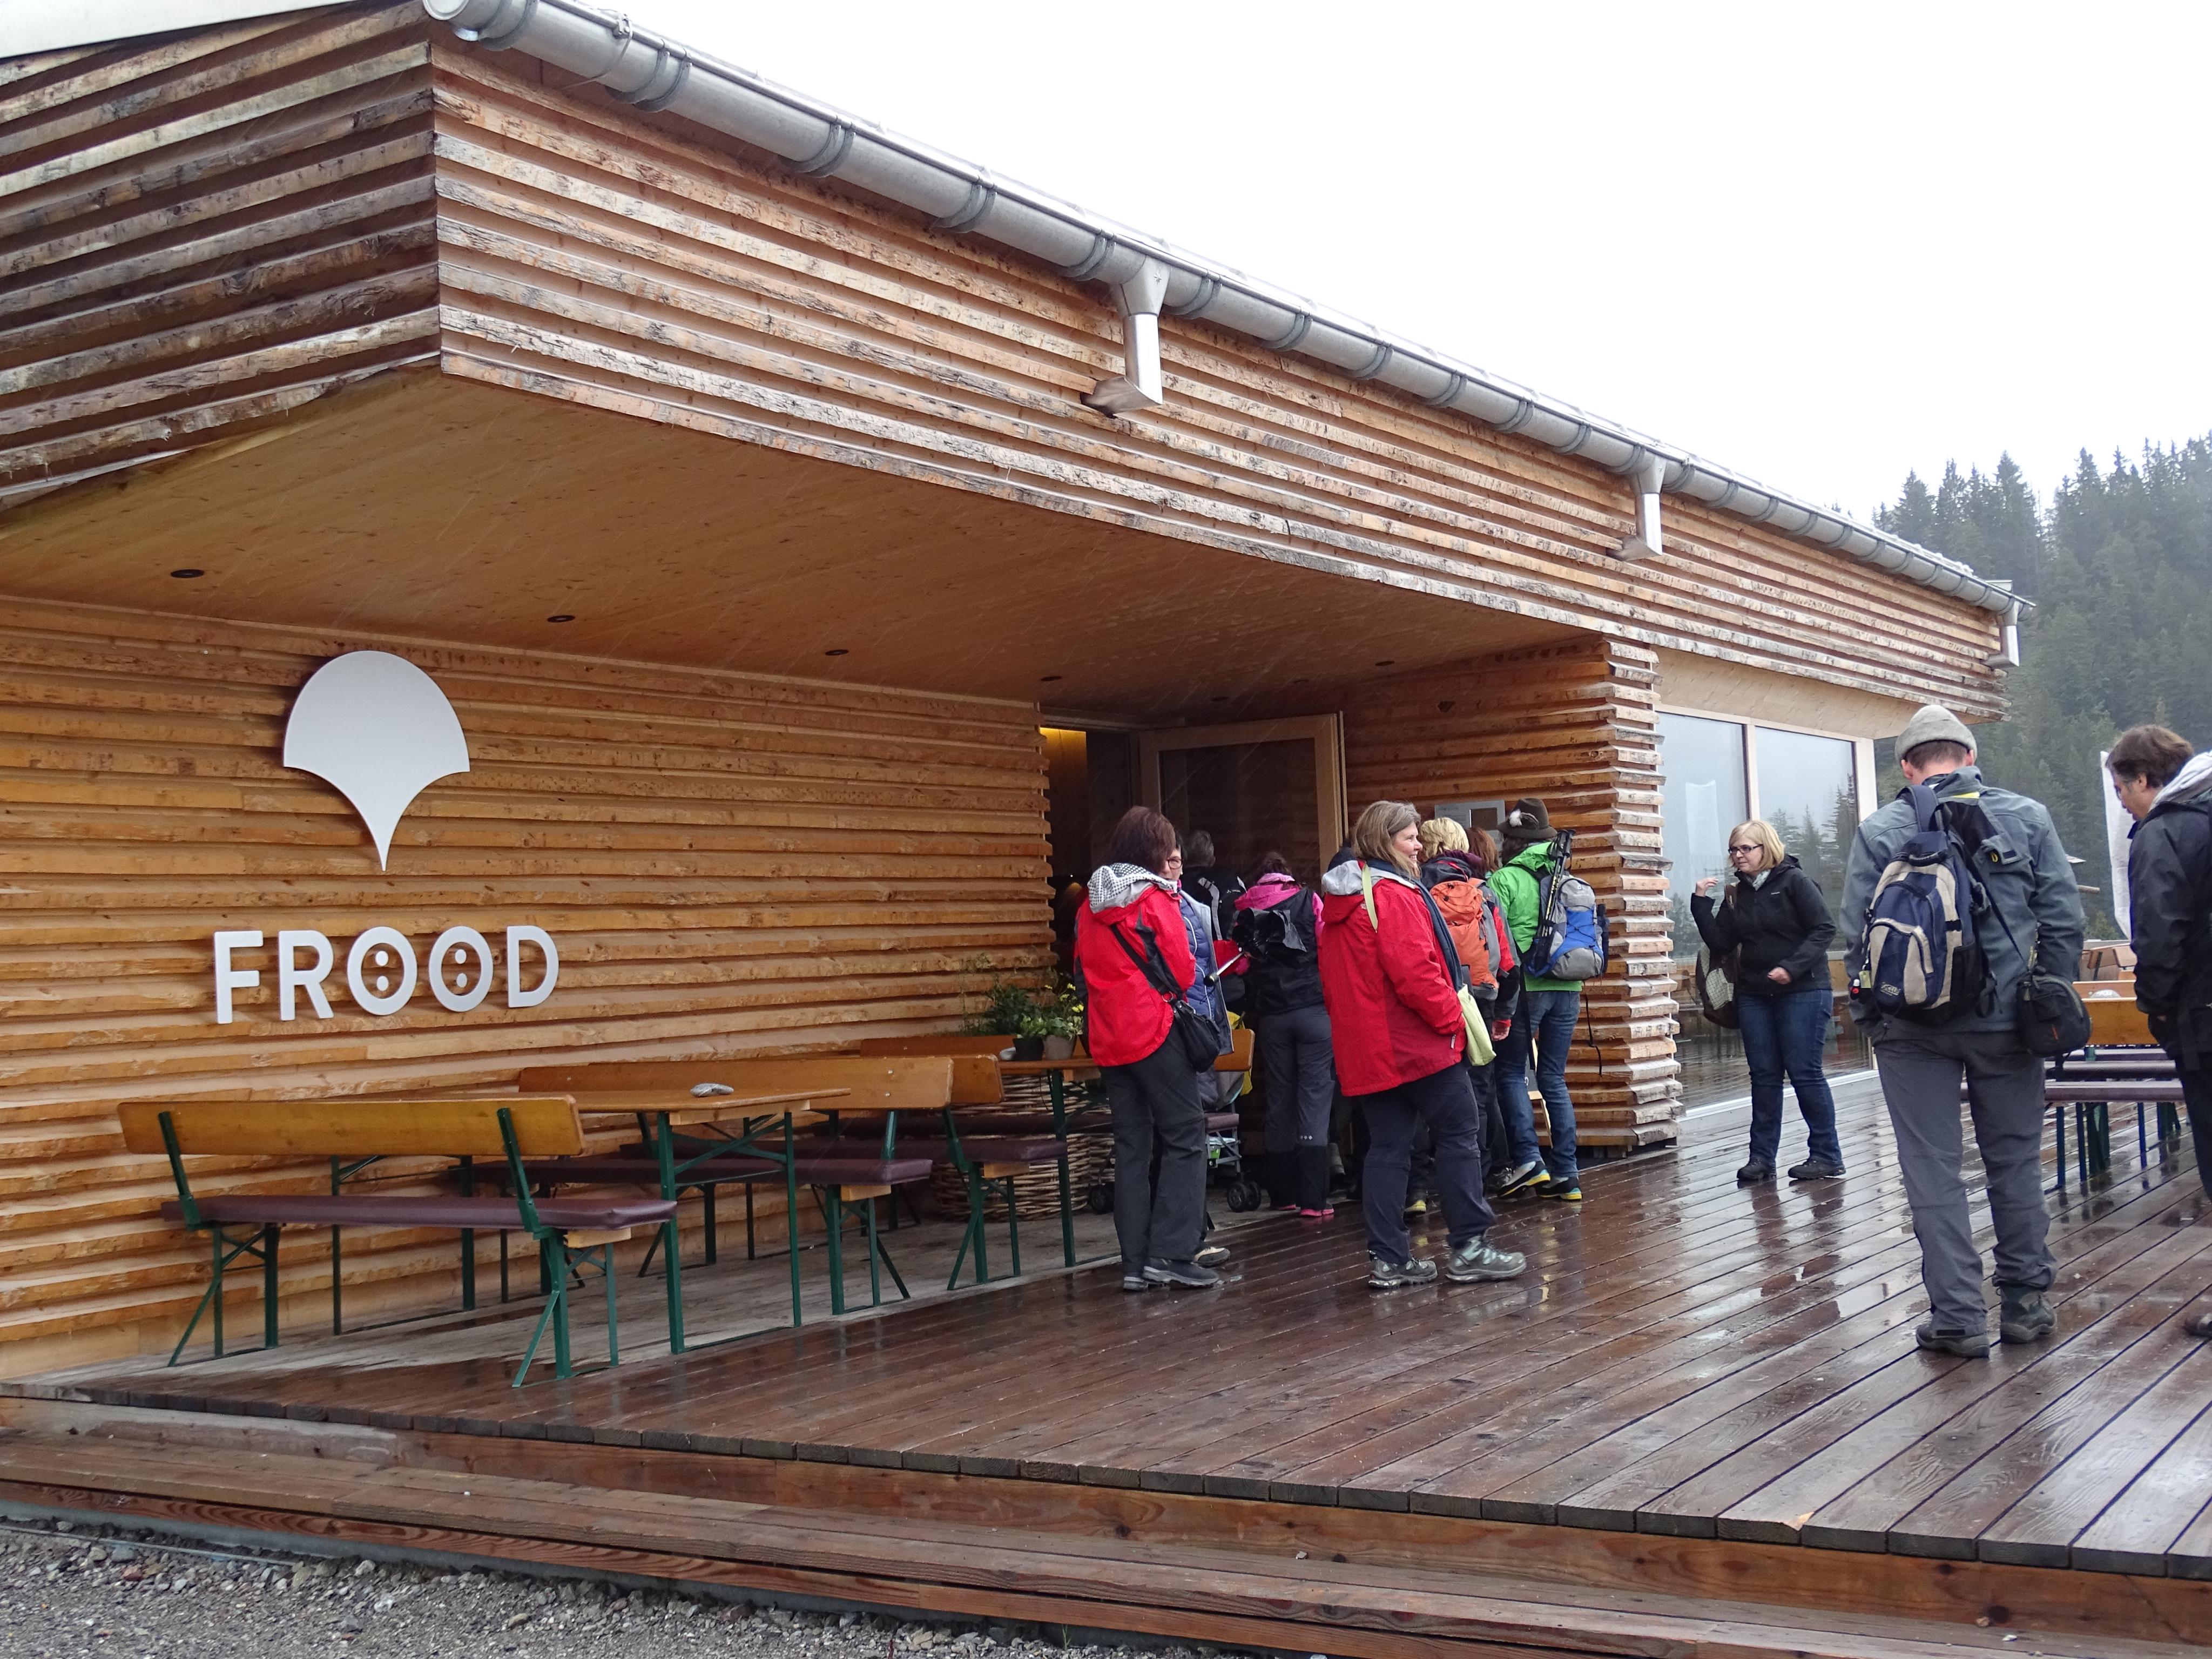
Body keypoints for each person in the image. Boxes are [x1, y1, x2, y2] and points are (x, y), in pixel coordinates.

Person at [1840, 704, 2083, 1358]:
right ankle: (2025, 1303)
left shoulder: (1881, 829)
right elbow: (2062, 920)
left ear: (1908, 767)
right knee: (2013, 1160)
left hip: (1911, 1026)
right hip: (2007, 1023)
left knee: (1931, 1168)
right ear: (1970, 757)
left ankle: (1957, 1317)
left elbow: (1856, 938)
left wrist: (1874, 1021)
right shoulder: (2025, 817)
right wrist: (2043, 999)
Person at [1317, 800, 1526, 1290]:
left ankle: (1389, 1258)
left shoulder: (1341, 902)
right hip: (1416, 1042)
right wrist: (1454, 1021)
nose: (1418, 847)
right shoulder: (1394, 894)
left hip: (1369, 1047)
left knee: (1387, 1147)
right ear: (1383, 839)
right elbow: (1417, 975)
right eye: (1409, 838)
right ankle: (1470, 1247)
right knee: (1460, 1131)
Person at [1072, 806, 1218, 1292]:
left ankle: (1135, 1263)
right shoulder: (1155, 899)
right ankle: (1172, 1254)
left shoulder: (1089, 906)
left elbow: (1081, 973)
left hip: (1108, 1037)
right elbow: (1182, 971)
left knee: (1131, 1147)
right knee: (1186, 1135)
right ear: (1155, 851)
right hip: (1154, 1031)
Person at [2108, 725, 2212, 1338]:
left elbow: (2160, 935)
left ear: (2146, 779)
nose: (2123, 803)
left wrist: (2158, 1008)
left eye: (2123, 789)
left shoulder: (2165, 833)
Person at [1691, 817, 1845, 1185]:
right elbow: (1721, 943)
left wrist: (1791, 968)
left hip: (1803, 990)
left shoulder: (1795, 881)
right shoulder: (1738, 894)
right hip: (1755, 994)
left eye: (1746, 848)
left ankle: (1826, 1155)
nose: (1738, 855)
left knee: (1804, 1072)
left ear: (1767, 848)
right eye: (1734, 849)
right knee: (1764, 1076)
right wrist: (1699, 903)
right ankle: (1761, 1159)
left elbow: (1824, 928)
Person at [1487, 799, 1582, 1202]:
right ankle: (1567, 1174)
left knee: (1510, 1073)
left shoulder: (1504, 879)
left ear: (1511, 840)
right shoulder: (1565, 875)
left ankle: (1529, 1161)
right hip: (1569, 987)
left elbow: (1494, 939)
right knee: (1553, 1077)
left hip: (1525, 988)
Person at [1418, 819, 1519, 1196]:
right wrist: (1504, 1013)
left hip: (1435, 998)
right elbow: (1507, 960)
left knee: (1426, 1090)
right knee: (1478, 1090)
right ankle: (1476, 1178)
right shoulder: (1483, 890)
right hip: (1481, 998)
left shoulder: (1416, 890)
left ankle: (1422, 1184)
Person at [1233, 853, 1335, 1217]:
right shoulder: (1309, 901)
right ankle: (1313, 1200)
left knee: (1280, 1097)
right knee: (1314, 1098)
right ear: (1287, 876)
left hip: (1273, 1017)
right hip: (1314, 1013)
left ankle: (1282, 1194)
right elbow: (1327, 947)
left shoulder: (1246, 912)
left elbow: (1240, 964)